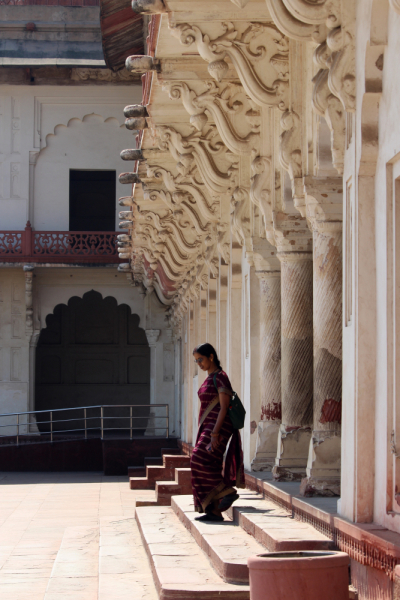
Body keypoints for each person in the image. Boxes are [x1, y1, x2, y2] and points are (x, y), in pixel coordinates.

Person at [190, 343, 244, 522]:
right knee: (209, 463)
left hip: (219, 427)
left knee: (199, 457)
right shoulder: (209, 378)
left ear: (211, 356)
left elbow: (223, 408)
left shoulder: (221, 377)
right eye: (196, 360)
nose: (199, 363)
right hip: (209, 427)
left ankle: (228, 492)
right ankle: (213, 511)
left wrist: (215, 434)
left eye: (201, 359)